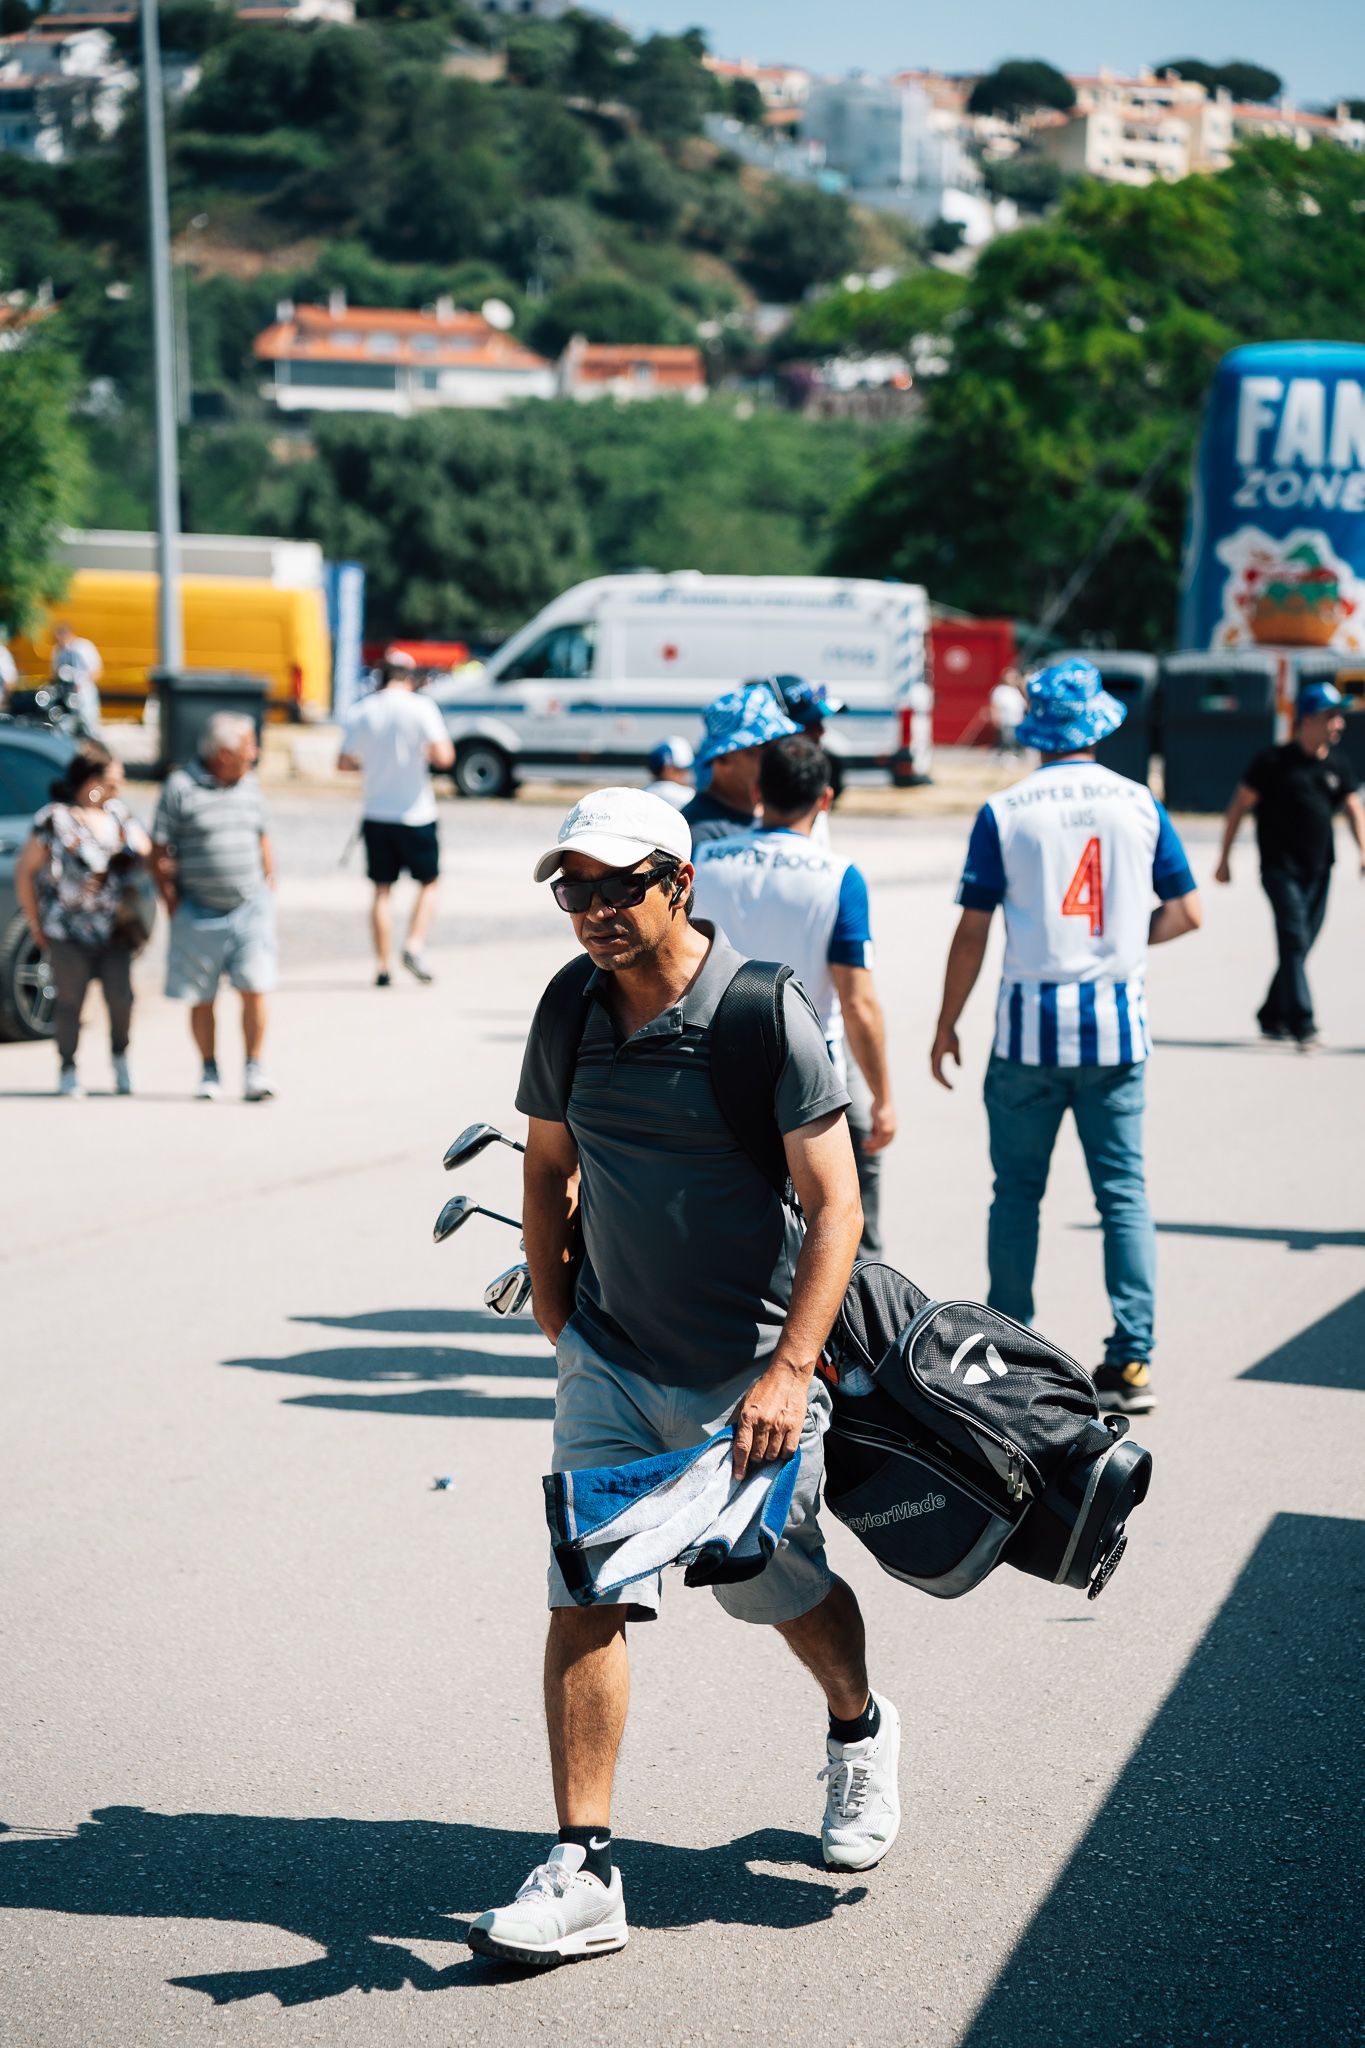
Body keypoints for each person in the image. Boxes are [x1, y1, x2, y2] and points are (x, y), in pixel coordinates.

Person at [468, 787, 900, 1968]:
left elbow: (836, 1204)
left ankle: (858, 1728)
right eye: (575, 889)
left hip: (751, 1370)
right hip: (611, 1356)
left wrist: (787, 1373)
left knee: (768, 1585)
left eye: (619, 886)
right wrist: (560, 1314)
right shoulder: (570, 1008)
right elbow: (549, 1165)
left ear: (681, 880)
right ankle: (585, 1865)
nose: (596, 911)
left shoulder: (762, 1012)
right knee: (587, 1588)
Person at [930, 660, 1202, 1417]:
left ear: (1036, 728)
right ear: (1097, 726)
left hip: (1027, 1029)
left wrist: (947, 1019)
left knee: (1015, 1193)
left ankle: (1009, 1351)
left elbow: (972, 928)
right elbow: (1186, 912)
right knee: (1122, 1194)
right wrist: (1121, 946)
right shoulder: (1138, 803)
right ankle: (1132, 1357)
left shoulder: (1006, 809)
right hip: (1115, 1029)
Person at [692, 734, 897, 1258]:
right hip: (808, 1070)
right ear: (824, 799)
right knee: (829, 1221)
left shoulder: (705, 860)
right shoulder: (838, 877)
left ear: (759, 788)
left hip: (709, 1061)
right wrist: (882, 1096)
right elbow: (858, 1002)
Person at [1214, 681, 1364, 1048]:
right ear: (1308, 720)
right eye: (1331, 717)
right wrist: (1224, 858)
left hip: (1320, 870)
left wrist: (1364, 851)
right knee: (1294, 939)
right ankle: (1303, 1023)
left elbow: (1353, 809)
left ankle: (1271, 1014)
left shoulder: (1337, 766)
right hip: (1280, 870)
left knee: (1298, 944)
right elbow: (1238, 807)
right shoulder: (1272, 763)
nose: (1339, 724)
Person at [13, 740, 151, 1098]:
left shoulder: (119, 815)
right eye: (113, 782)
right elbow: (25, 872)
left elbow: (147, 851)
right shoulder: (54, 819)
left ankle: (120, 1057)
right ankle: (68, 1066)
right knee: (70, 1002)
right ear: (92, 784)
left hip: (116, 929)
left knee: (121, 999)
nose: (118, 789)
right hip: (67, 930)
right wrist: (35, 922)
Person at [152, 713, 277, 1102]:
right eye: (248, 747)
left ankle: (254, 1069)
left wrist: (269, 884)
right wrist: (173, 904)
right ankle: (208, 1070)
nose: (254, 754)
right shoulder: (180, 787)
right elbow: (158, 850)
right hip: (197, 910)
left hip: (249, 907)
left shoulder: (250, 785)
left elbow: (262, 837)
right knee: (201, 995)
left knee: (255, 988)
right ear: (223, 754)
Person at [337, 648, 455, 986]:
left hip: (376, 813)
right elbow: (445, 756)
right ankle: (414, 944)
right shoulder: (422, 708)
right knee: (429, 883)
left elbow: (343, 762)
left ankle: (382, 966)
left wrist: (370, 765)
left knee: (381, 891)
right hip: (416, 812)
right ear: (408, 678)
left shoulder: (362, 711)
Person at [681, 682, 798, 846]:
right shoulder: (700, 834)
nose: (777, 755)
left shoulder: (769, 812)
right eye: (764, 746)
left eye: (780, 743)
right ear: (723, 759)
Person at [49, 623, 103, 733]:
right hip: (65, 697)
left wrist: (81, 682)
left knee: (89, 726)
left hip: (84, 696)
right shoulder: (57, 650)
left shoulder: (84, 647)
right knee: (64, 728)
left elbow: (97, 671)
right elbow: (54, 673)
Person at [643, 735, 694, 809]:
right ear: (668, 769)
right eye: (682, 769)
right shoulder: (688, 797)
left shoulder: (641, 795)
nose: (686, 773)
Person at [990, 668, 1026, 754]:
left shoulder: (1017, 690)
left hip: (1018, 721)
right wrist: (995, 717)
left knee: (1018, 741)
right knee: (1007, 740)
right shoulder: (1000, 690)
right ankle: (1006, 756)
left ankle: (1016, 755)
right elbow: (994, 705)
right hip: (1006, 721)